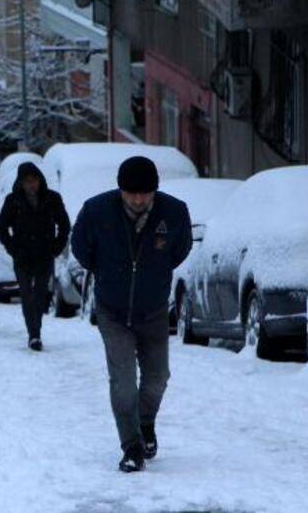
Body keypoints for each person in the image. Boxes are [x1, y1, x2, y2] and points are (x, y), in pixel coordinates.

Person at [71, 156, 192, 473]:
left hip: (153, 309)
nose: (138, 200)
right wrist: (108, 274)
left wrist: (155, 274)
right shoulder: (97, 211)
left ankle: (145, 423)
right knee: (123, 380)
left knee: (157, 378)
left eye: (144, 193)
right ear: (120, 190)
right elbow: (81, 248)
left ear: (154, 191)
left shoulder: (174, 213)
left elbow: (180, 250)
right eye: (131, 193)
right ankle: (132, 446)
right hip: (112, 310)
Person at [0, 162, 70, 351]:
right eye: (27, 181)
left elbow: (64, 225)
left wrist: (56, 247)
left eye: (34, 180)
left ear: (40, 180)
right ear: (21, 182)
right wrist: (12, 248)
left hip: (45, 254)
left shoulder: (52, 199)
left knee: (40, 294)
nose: (31, 185)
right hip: (22, 256)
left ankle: (36, 330)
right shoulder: (13, 201)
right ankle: (34, 334)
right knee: (27, 294)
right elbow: (1, 227)